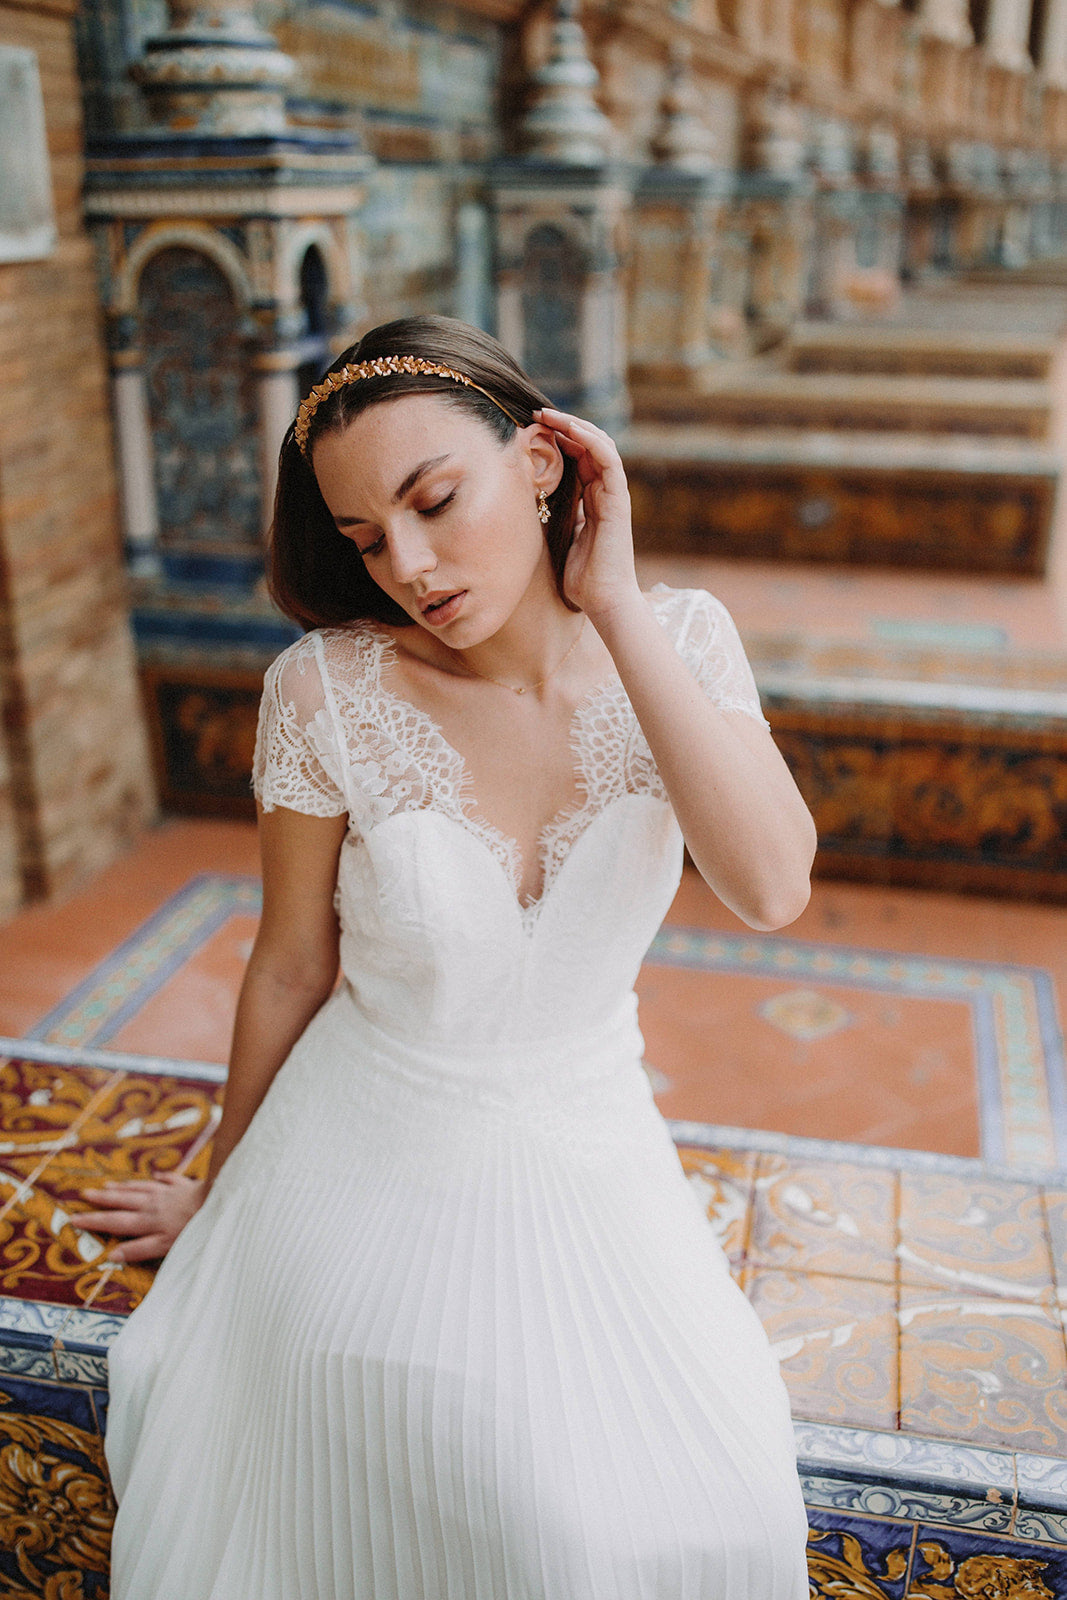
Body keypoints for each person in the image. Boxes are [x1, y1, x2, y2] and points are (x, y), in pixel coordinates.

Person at [81, 314, 818, 1598]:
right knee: (504, 1493)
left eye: (434, 501)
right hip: (359, 1146)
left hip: (592, 1150)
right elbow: (289, 967)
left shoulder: (682, 641)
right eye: (366, 539)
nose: (409, 565)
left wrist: (618, 605)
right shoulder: (323, 690)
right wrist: (221, 1194)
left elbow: (768, 886)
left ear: (543, 464)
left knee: (710, 1491)